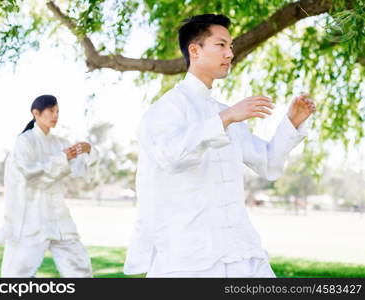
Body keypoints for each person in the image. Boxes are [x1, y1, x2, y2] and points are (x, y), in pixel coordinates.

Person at [124, 14, 316, 278]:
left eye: (232, 47)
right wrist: (225, 119)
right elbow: (172, 157)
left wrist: (291, 123)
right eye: (221, 45)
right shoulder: (167, 109)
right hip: (189, 256)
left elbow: (269, 164)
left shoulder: (226, 114)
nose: (230, 53)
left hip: (241, 249)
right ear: (195, 50)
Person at [0, 94, 96, 278]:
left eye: (57, 111)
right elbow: (31, 174)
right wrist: (63, 158)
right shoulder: (24, 141)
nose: (55, 115)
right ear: (36, 113)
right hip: (31, 216)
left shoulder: (60, 143)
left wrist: (88, 151)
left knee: (79, 267)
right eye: (51, 111)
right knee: (17, 273)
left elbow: (80, 171)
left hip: (58, 217)